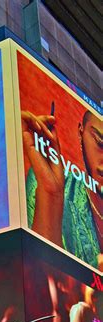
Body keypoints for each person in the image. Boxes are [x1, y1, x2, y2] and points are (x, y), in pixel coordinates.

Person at [23, 109, 102, 269]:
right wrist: (51, 196)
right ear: (81, 134)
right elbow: (40, 279)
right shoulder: (50, 182)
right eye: (99, 142)